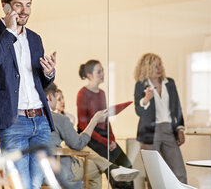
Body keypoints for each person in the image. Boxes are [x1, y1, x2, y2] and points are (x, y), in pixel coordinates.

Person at [0, 0, 56, 189]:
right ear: (5, 6)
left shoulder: (35, 38)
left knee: (36, 184)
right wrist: (9, 32)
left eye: (28, 5)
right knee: (20, 185)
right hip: (13, 122)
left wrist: (49, 73)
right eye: (18, 5)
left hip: (41, 121)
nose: (24, 11)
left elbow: (39, 81)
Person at [45, 83, 139, 188]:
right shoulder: (58, 119)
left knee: (91, 160)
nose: (62, 101)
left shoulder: (28, 119)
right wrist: (94, 120)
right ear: (50, 97)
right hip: (59, 170)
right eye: (57, 98)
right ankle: (112, 167)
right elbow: (78, 144)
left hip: (36, 172)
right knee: (96, 168)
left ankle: (112, 167)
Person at [77, 60, 134, 189]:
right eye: (99, 71)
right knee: (113, 168)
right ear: (90, 75)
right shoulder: (82, 93)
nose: (103, 73)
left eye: (103, 70)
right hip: (92, 137)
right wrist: (105, 141)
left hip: (105, 138)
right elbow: (82, 125)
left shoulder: (102, 93)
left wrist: (112, 140)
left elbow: (106, 120)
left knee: (127, 165)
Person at [134, 53, 187, 185]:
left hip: (169, 130)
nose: (159, 68)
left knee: (179, 172)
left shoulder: (170, 83)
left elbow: (177, 108)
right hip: (150, 132)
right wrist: (146, 99)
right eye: (155, 66)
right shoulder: (141, 85)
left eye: (160, 65)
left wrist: (180, 129)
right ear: (147, 68)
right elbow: (138, 111)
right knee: (154, 174)